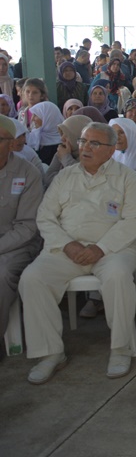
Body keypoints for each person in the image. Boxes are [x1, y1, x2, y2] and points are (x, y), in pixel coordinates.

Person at [19, 123, 136, 383]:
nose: (85, 147)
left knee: (117, 276)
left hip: (114, 249)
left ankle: (120, 348)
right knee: (32, 279)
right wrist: (67, 244)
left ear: (111, 150)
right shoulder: (65, 176)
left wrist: (100, 248)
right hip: (67, 248)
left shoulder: (128, 178)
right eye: (83, 141)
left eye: (94, 143)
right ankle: (50, 353)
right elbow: (45, 217)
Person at [0, 115, 43, 345]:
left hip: (17, 244)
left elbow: (27, 226)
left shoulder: (27, 173)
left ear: (11, 143)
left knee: (2, 274)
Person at [25, 101, 64, 165]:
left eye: (36, 115)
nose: (32, 119)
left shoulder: (62, 144)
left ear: (48, 117)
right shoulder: (32, 136)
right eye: (32, 115)